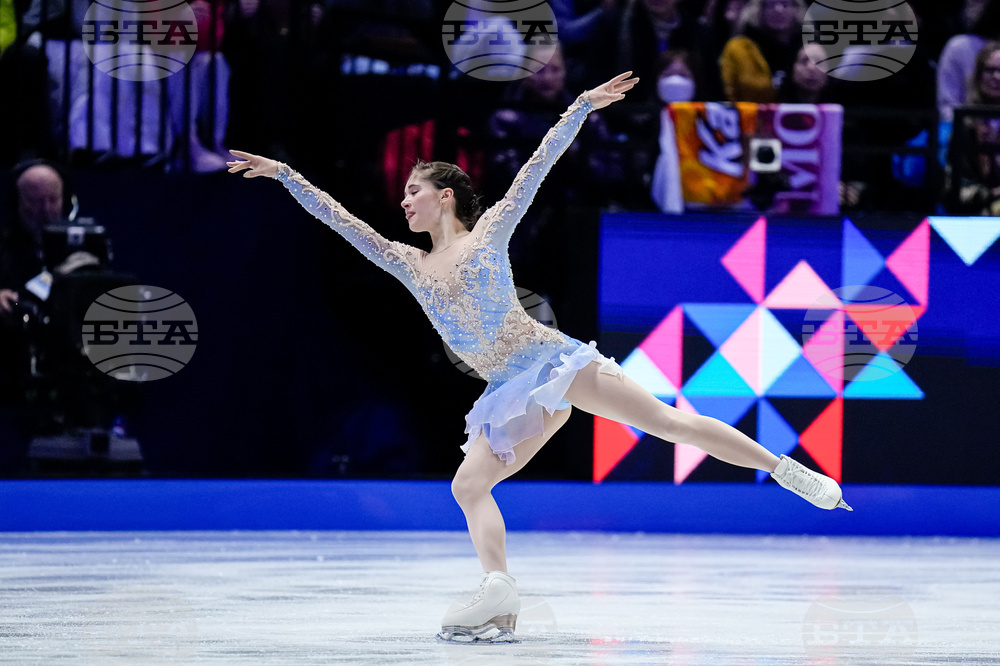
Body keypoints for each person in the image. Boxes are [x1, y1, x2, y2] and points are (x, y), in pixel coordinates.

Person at [227, 71, 852, 643]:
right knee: (468, 484)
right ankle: (500, 595)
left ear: (446, 196)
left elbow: (537, 167)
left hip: (552, 364)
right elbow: (344, 224)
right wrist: (288, 176)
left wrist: (579, 106)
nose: (404, 200)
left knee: (665, 422)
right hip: (507, 388)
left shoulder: (490, 233)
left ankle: (785, 468)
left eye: (415, 190)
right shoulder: (408, 262)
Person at [719, 0, 805, 103]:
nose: (778, 9)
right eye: (770, 5)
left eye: (785, 4)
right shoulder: (739, 49)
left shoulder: (808, 50)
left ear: (797, 9)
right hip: (750, 116)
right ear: (758, 10)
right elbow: (726, 95)